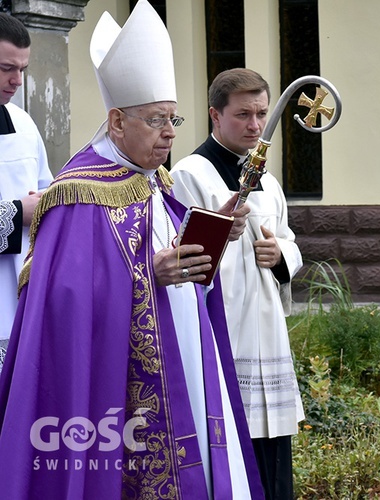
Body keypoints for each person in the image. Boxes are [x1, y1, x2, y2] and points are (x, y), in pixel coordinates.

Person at [0, 2, 265, 498]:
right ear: (117, 122)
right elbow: (65, 303)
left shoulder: (154, 179)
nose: (169, 133)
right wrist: (148, 276)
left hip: (186, 351)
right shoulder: (79, 191)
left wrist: (211, 230)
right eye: (155, 121)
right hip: (115, 388)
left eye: (173, 119)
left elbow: (171, 250)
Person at [170, 68, 304, 500]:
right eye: (243, 114)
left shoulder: (267, 177)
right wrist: (221, 232)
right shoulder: (191, 174)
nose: (255, 125)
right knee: (230, 446)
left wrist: (281, 256)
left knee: (275, 458)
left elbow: (288, 240)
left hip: (267, 332)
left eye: (262, 114)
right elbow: (183, 254)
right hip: (226, 330)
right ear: (215, 115)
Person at [0, 13, 52, 367]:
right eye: (6, 68)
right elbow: (27, 208)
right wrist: (18, 213)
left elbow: (46, 191)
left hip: (22, 298)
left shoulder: (23, 123)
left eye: (22, 69)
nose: (16, 80)